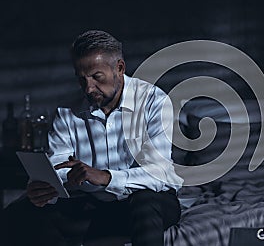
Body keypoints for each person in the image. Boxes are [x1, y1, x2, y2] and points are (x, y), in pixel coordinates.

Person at [2, 30, 183, 246]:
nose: (88, 88)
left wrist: (106, 177)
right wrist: (42, 189)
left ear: (120, 68)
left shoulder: (154, 101)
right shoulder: (67, 111)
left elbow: (159, 173)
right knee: (17, 214)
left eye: (97, 77)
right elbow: (57, 166)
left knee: (144, 203)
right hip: (93, 203)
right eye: (81, 79)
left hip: (149, 202)